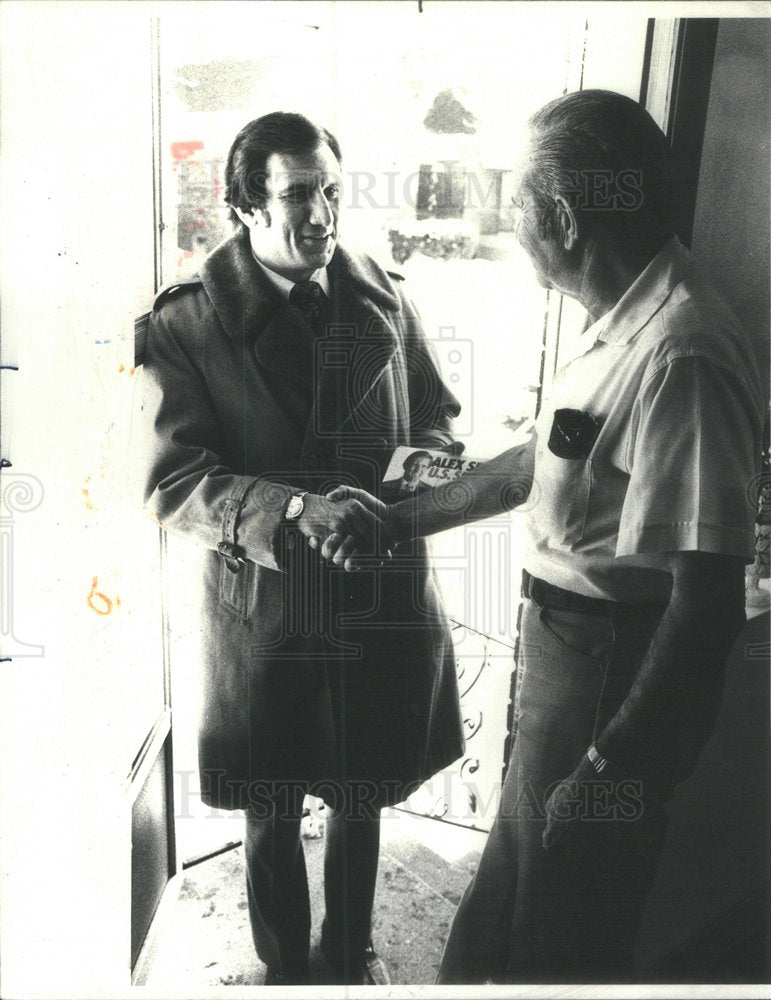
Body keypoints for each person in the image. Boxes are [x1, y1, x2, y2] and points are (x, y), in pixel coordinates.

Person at [322, 89, 764, 983]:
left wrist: (609, 766)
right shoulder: (624, 319)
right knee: (513, 897)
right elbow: (543, 458)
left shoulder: (681, 352)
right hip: (567, 666)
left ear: (560, 217)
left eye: (515, 199)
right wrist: (395, 522)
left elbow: (706, 601)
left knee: (563, 935)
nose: (506, 217)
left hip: (609, 681)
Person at [136, 111, 464, 986]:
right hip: (266, 619)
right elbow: (173, 483)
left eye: (329, 192)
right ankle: (286, 972)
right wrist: (296, 513)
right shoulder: (184, 326)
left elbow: (436, 419)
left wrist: (404, 484)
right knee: (270, 809)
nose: (320, 215)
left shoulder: (385, 296)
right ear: (245, 207)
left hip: (376, 599)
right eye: (294, 196)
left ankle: (347, 959)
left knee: (362, 802)